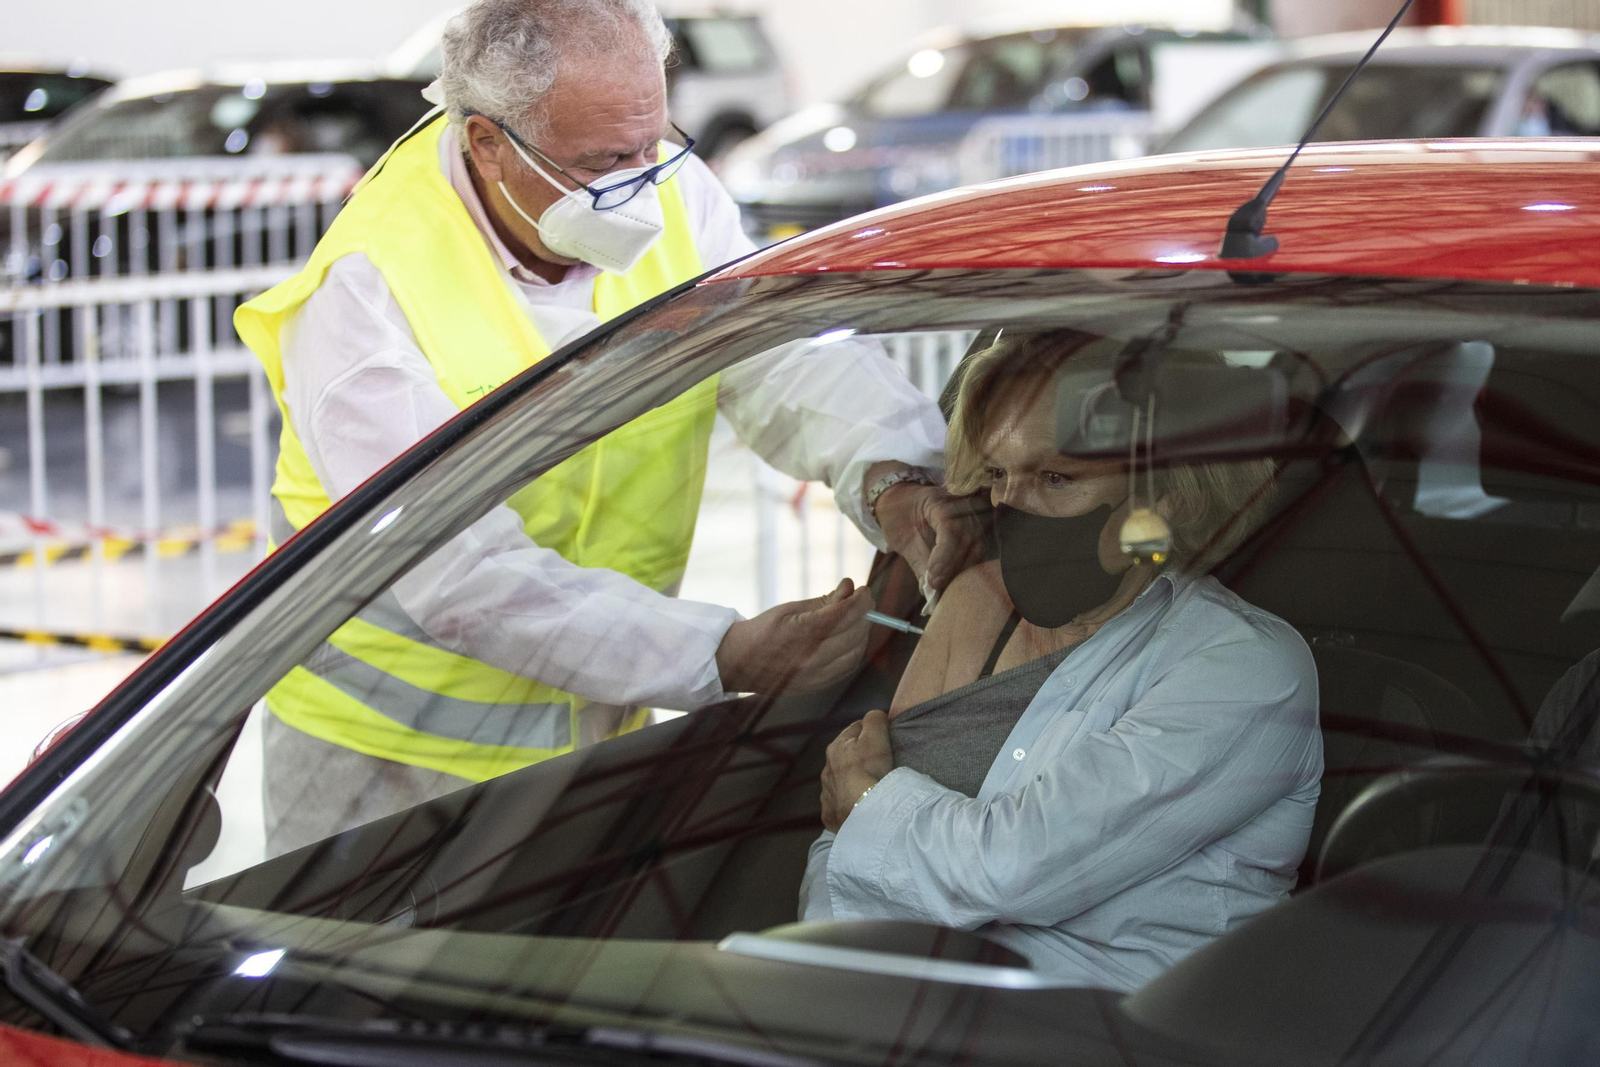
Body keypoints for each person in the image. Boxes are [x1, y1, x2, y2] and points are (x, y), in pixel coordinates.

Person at [234, 0, 977, 852]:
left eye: (651, 143)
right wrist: (720, 654)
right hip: (381, 768)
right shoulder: (366, 292)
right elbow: (463, 575)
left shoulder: (669, 190)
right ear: (488, 143)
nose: (639, 184)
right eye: (601, 160)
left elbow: (776, 361)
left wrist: (892, 473)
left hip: (590, 734)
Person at [800, 331, 1324, 991]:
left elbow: (1013, 868)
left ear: (1169, 495)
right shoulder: (976, 604)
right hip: (895, 1016)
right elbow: (839, 855)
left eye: (1056, 477)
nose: (1014, 507)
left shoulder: (1245, 666)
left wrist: (875, 804)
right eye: (997, 475)